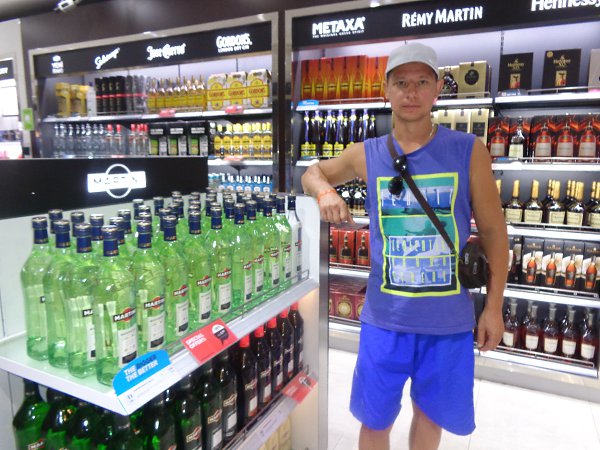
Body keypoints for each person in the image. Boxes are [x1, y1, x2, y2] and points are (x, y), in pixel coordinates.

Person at [301, 42, 508, 450]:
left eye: (421, 82)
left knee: (430, 418)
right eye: (401, 83)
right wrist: (324, 191)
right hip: (385, 319)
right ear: (386, 90)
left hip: (447, 320)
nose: (411, 93)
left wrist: (494, 307)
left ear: (437, 90)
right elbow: (312, 173)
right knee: (374, 419)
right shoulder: (365, 154)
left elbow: (494, 233)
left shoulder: (469, 151)